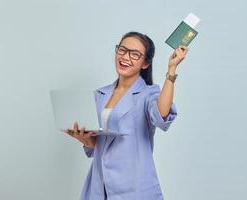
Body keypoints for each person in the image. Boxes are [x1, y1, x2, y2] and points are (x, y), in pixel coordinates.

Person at [62, 31, 188, 200]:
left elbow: (161, 116)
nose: (125, 57)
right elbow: (100, 146)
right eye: (122, 50)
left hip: (134, 188)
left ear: (145, 63)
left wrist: (171, 70)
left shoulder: (148, 93)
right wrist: (84, 139)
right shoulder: (100, 94)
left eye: (135, 54)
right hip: (100, 185)